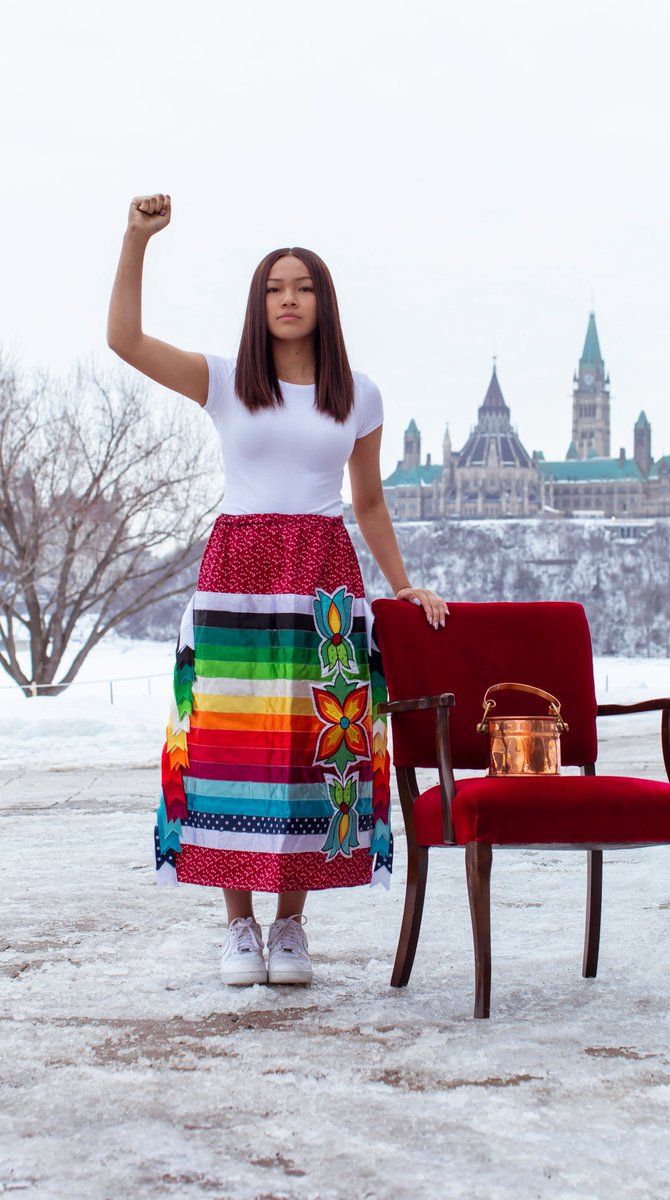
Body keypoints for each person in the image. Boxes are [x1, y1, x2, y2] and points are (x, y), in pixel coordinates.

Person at [107, 193, 448, 989]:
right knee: (232, 747)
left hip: (325, 580)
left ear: (323, 304)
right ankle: (237, 929)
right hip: (236, 573)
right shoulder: (224, 381)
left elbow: (368, 501)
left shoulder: (358, 394)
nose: (288, 298)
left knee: (311, 751)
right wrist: (135, 241)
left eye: (302, 287)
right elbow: (122, 339)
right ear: (259, 305)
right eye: (274, 287)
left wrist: (403, 586)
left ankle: (291, 924)